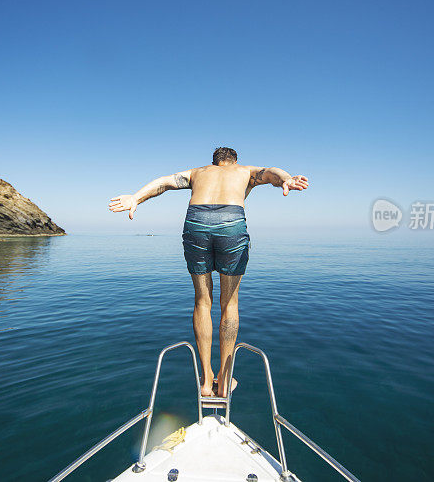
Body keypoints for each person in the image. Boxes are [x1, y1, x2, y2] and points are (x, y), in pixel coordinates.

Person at [108, 147, 309, 397]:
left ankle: (206, 381)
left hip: (196, 222)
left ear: (213, 162)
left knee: (202, 302)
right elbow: (271, 173)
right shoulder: (244, 171)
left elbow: (165, 182)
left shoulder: (197, 172)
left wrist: (136, 198)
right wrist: (287, 179)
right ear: (234, 161)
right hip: (231, 222)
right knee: (229, 303)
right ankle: (224, 382)